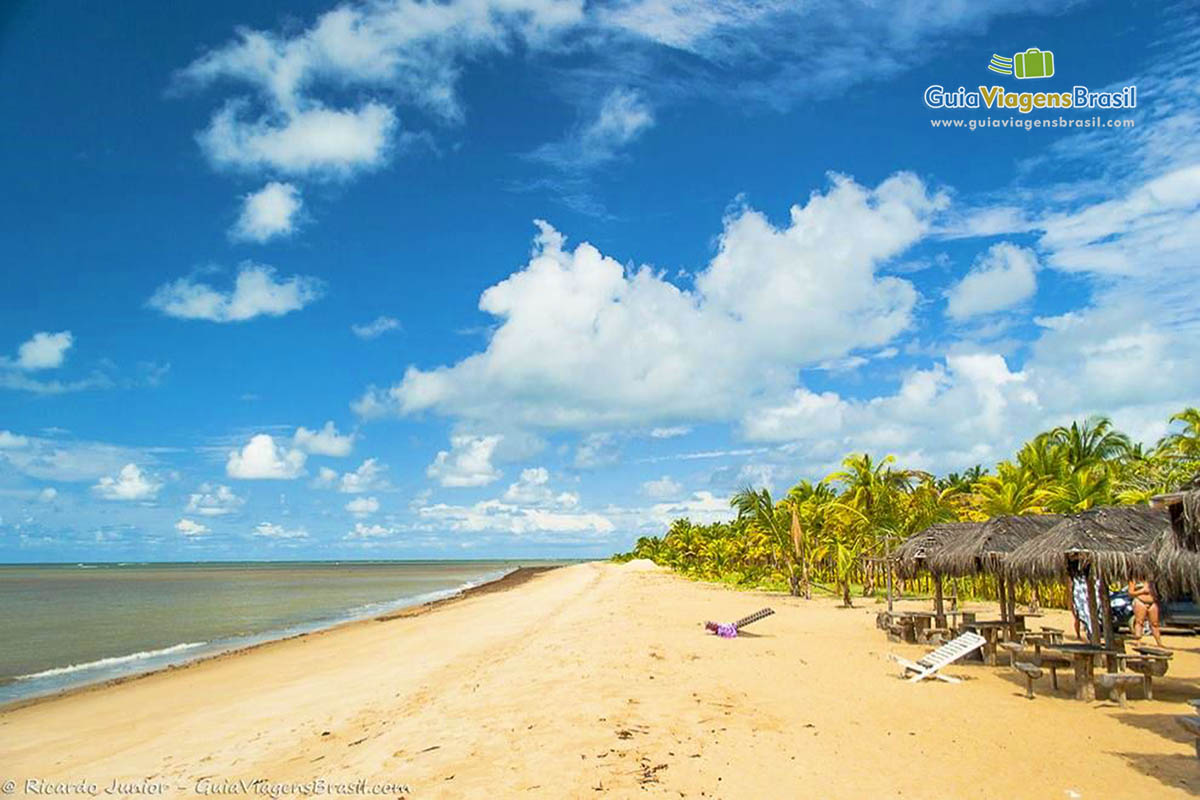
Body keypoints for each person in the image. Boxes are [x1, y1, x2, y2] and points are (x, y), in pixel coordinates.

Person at [1128, 577, 1165, 647]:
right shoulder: (1134, 579)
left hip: (1152, 602)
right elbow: (1130, 592)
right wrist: (1142, 591)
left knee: (1155, 623)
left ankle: (1159, 642)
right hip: (1140, 601)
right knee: (1139, 622)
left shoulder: (1151, 580)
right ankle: (1138, 642)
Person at [1069, 566, 1096, 641]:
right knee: (1077, 618)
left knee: (1081, 617)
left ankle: (1088, 634)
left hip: (1084, 600)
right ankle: (1079, 635)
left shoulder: (1088, 578)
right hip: (1079, 600)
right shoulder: (1076, 581)